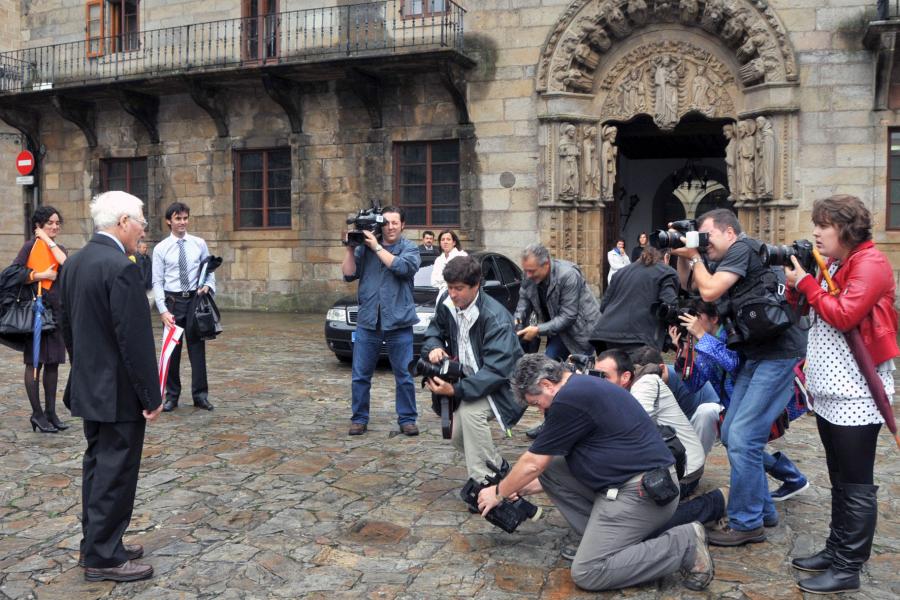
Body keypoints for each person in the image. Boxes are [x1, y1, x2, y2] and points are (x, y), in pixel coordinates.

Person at [477, 354, 714, 592]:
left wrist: (498, 492)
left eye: (536, 404)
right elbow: (545, 466)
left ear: (547, 385)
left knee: (588, 572)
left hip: (645, 492)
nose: (540, 412)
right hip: (634, 481)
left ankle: (684, 544)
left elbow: (533, 463)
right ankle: (604, 539)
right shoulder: (581, 385)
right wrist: (520, 486)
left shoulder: (569, 399)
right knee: (553, 466)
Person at [671, 208, 805, 546]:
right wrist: (684, 254)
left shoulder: (743, 248)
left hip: (777, 354)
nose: (705, 244)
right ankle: (763, 511)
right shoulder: (724, 258)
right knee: (731, 431)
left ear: (729, 232)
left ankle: (746, 524)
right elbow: (691, 284)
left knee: (743, 435)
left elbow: (711, 291)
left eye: (708, 236)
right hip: (754, 354)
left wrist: (695, 255)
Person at [784, 195, 897, 594]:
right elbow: (811, 311)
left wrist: (810, 284)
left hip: (858, 393)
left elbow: (846, 313)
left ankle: (849, 566)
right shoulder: (834, 263)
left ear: (847, 230)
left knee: (856, 482)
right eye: (816, 223)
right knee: (838, 477)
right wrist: (796, 285)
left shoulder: (871, 263)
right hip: (831, 388)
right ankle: (836, 550)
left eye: (824, 225)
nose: (816, 231)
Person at [59, 191, 163, 583]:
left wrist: (85, 366)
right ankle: (103, 557)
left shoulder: (76, 262)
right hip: (119, 390)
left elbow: (66, 324)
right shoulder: (121, 266)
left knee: (97, 467)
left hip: (89, 383)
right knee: (115, 472)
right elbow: (134, 339)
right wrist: (151, 396)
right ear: (122, 222)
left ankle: (100, 542)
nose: (142, 230)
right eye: (140, 222)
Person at [669, 299, 810, 501]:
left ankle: (769, 493)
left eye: (697, 316)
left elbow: (735, 365)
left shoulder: (732, 334)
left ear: (714, 317)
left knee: (741, 444)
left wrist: (701, 336)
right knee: (738, 443)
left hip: (759, 397)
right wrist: (682, 351)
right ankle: (788, 479)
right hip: (736, 403)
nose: (692, 322)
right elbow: (694, 384)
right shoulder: (706, 341)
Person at [421, 255, 524, 486]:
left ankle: (484, 484)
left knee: (470, 415)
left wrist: (455, 390)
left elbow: (497, 371)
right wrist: (434, 347)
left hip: (504, 387)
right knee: (458, 436)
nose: (453, 294)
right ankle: (499, 467)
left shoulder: (496, 318)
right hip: (470, 382)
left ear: (476, 285)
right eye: (449, 288)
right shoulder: (447, 303)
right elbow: (433, 332)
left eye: (459, 288)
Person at [342, 206, 421, 436]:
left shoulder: (409, 248)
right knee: (360, 375)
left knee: (404, 375)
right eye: (386, 222)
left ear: (403, 225)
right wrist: (350, 250)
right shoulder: (364, 249)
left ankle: (407, 419)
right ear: (380, 224)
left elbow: (403, 268)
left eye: (395, 222)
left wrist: (376, 247)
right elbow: (348, 274)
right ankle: (359, 418)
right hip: (368, 320)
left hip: (399, 322)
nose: (391, 226)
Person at [514, 243, 601, 439]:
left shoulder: (568, 275)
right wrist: (518, 321)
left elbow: (568, 316)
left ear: (546, 265)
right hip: (557, 333)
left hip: (581, 333)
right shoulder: (529, 274)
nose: (528, 275)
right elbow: (523, 301)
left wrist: (537, 330)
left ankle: (585, 425)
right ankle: (550, 424)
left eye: (532, 271)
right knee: (545, 375)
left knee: (579, 380)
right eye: (525, 270)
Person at [595, 348, 706, 497]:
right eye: (596, 375)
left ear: (625, 376)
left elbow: (635, 427)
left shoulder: (645, 383)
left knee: (631, 508)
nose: (597, 381)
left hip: (685, 471)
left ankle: (714, 503)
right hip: (671, 461)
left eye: (605, 376)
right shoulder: (626, 385)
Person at [152, 202, 215, 412]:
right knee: (173, 351)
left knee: (197, 349)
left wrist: (207, 285)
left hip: (194, 302)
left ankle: (200, 395)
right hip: (173, 302)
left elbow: (209, 269)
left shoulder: (199, 243)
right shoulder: (161, 248)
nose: (182, 222)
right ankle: (172, 396)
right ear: (169, 221)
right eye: (178, 219)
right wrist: (162, 310)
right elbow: (157, 282)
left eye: (185, 218)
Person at [13, 206, 69, 433]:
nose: (55, 226)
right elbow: (13, 274)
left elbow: (67, 266)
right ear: (39, 225)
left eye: (57, 223)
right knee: (35, 363)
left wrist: (47, 239)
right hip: (35, 312)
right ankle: (37, 414)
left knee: (53, 362)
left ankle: (51, 412)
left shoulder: (59, 248)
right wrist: (39, 275)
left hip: (56, 312)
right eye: (49, 223)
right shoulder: (29, 247)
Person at [594, 246, 678, 353]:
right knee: (642, 369)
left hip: (607, 335)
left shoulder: (621, 273)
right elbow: (669, 307)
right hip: (640, 339)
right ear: (667, 257)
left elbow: (603, 306)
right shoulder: (666, 272)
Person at [430, 229, 467, 296]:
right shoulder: (438, 260)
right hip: (441, 296)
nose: (445, 242)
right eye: (443, 240)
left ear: (454, 242)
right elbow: (433, 282)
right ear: (440, 243)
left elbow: (462, 281)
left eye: (448, 239)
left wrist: (443, 282)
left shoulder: (462, 256)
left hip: (459, 297)